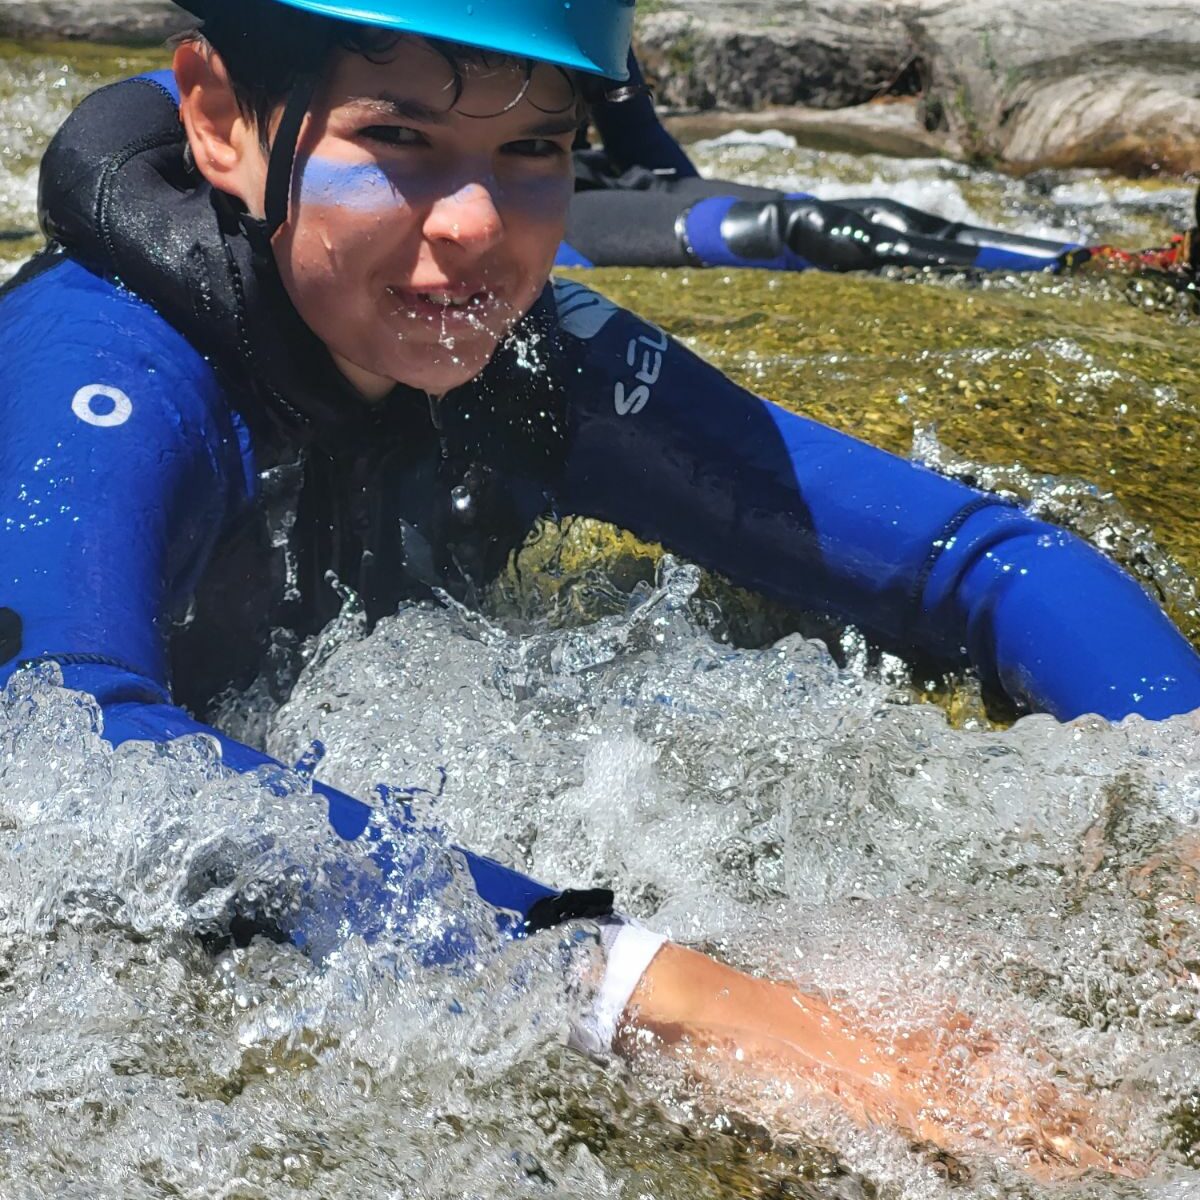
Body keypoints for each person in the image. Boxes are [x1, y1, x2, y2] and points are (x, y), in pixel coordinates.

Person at [0, 0, 1189, 1174]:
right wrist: (646, 988)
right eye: (399, 142)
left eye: (533, 149)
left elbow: (982, 564)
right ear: (218, 118)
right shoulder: (102, 372)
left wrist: (1178, 793)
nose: (474, 227)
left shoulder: (524, 357)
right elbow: (63, 738)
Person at [559, 50, 1089, 274]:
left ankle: (1093, 261)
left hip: (608, 177)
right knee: (805, 229)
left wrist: (679, 195)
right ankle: (1053, 270)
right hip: (548, 205)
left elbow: (635, 134)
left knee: (876, 212)